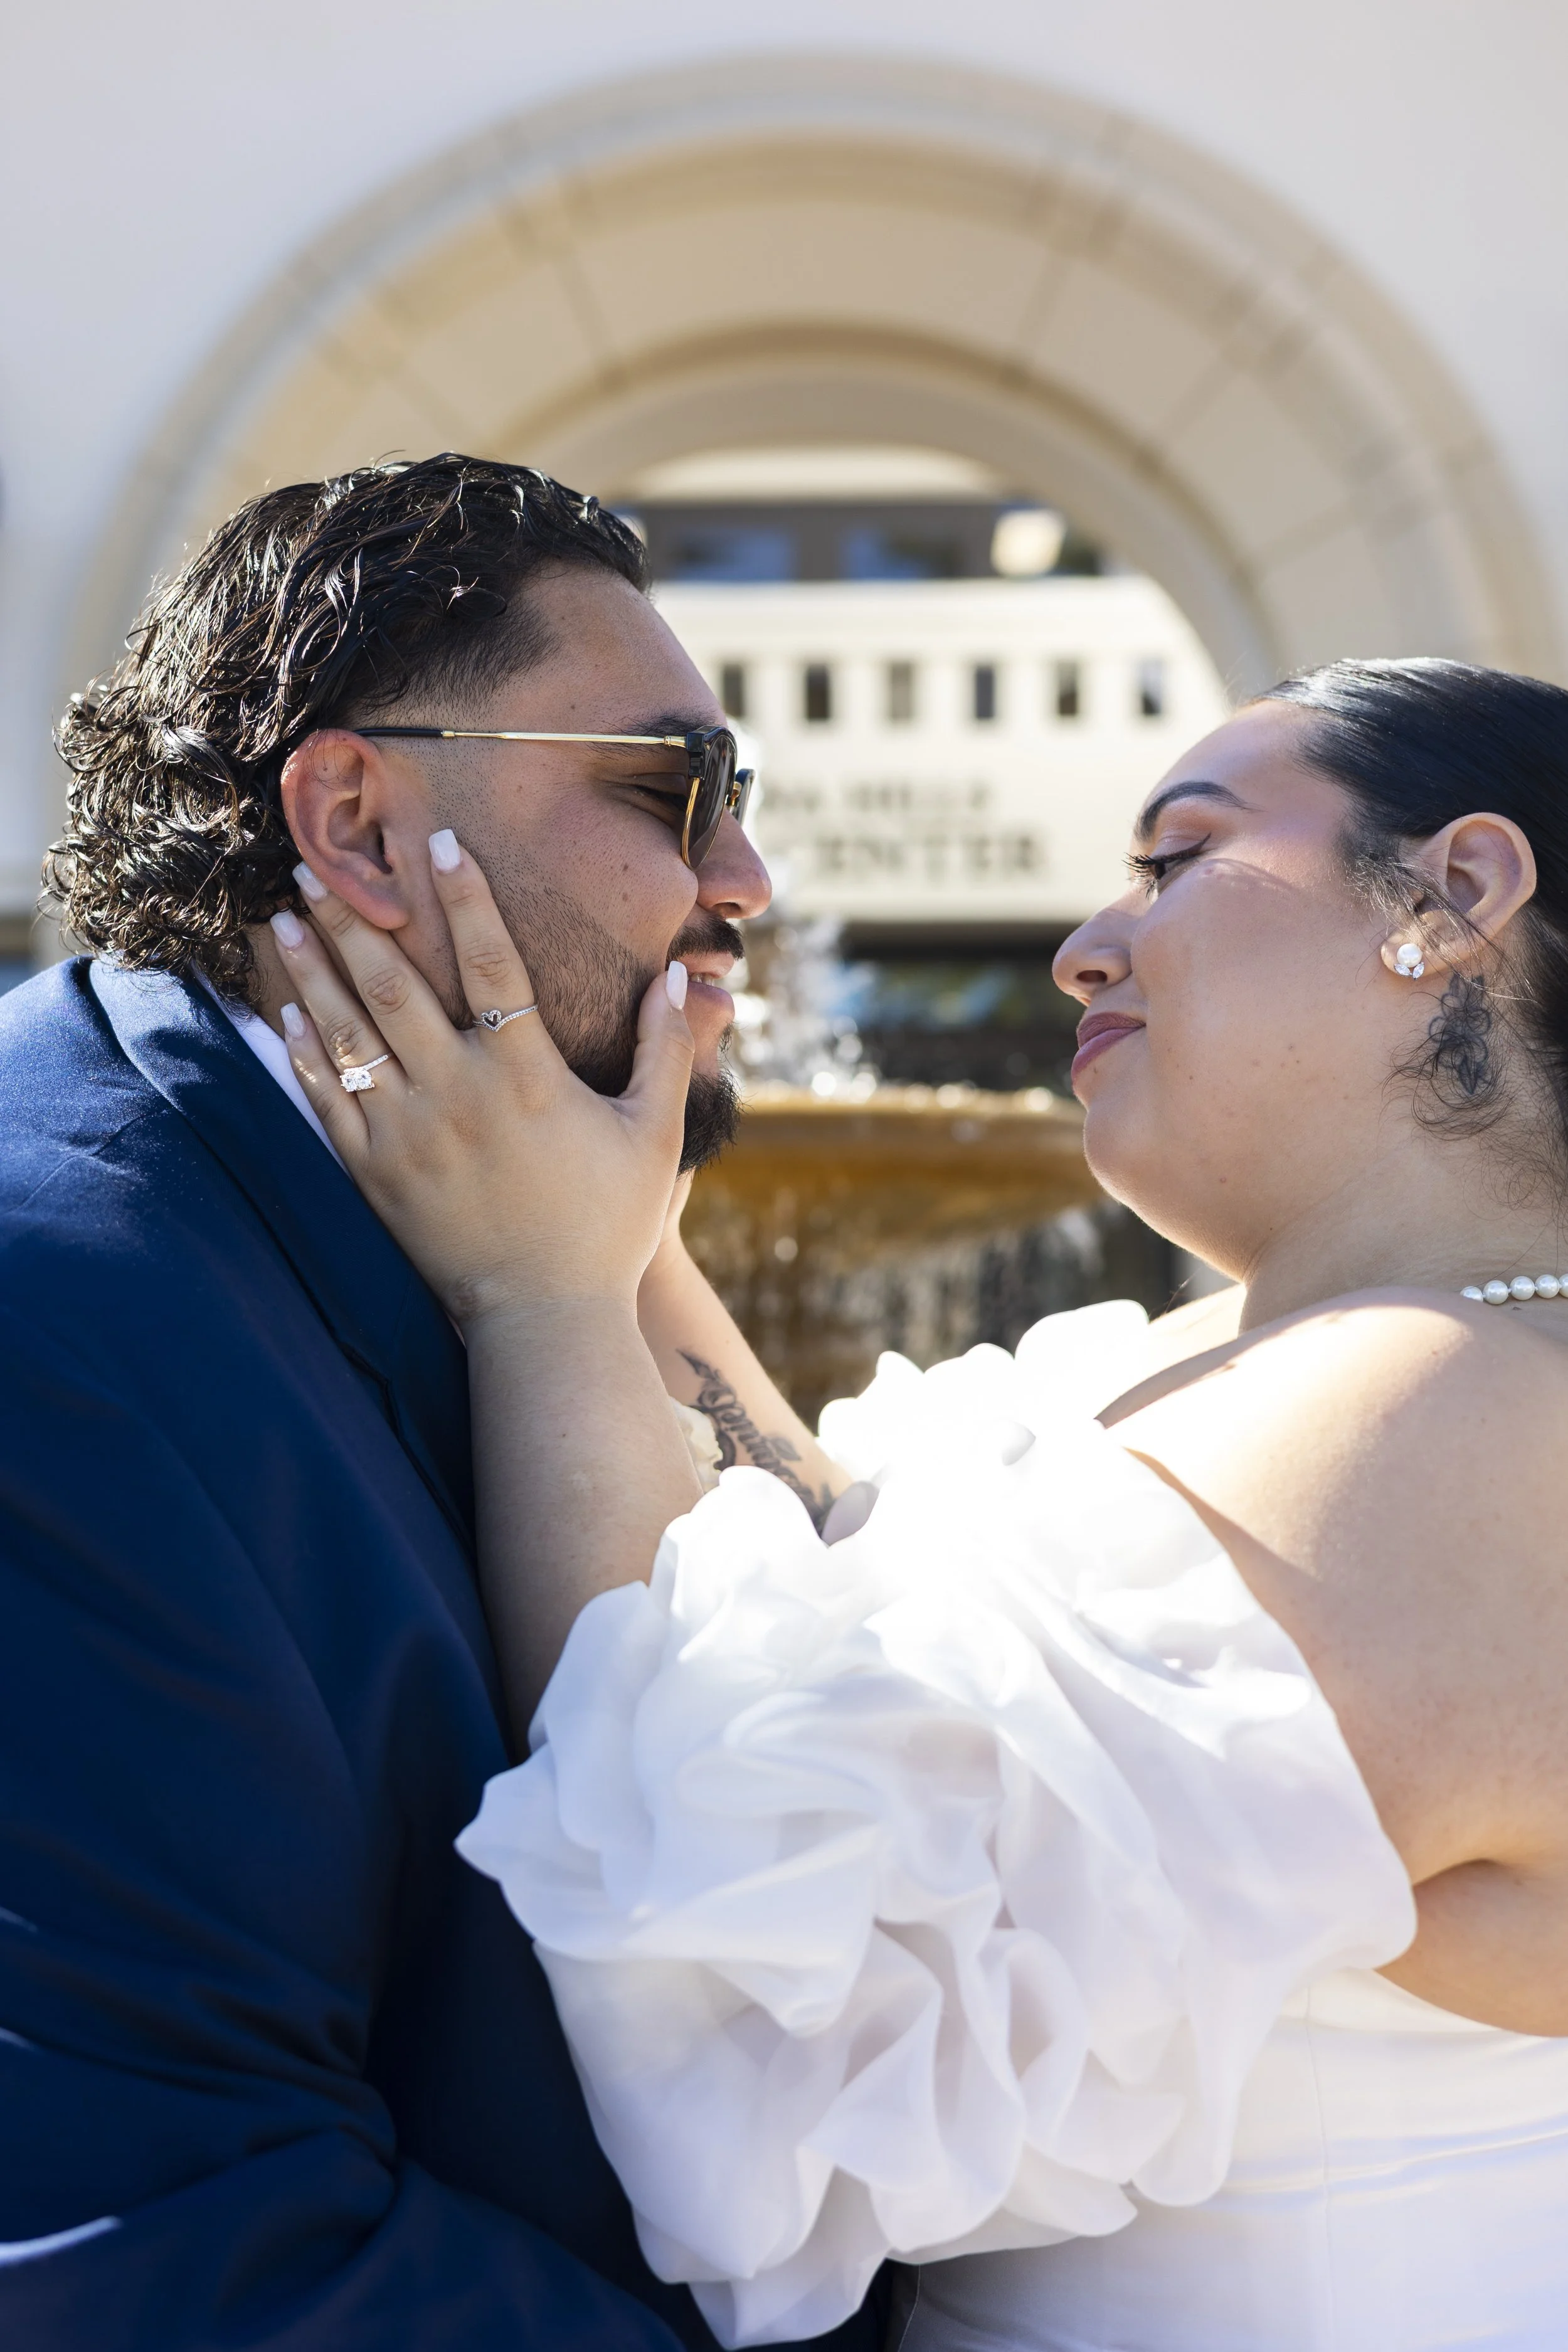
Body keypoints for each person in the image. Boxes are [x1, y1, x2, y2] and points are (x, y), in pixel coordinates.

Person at [274, 658, 1568, 2351]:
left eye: (1179, 859)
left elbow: (749, 2014)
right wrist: (600, 1187)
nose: (1082, 945)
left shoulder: (1443, 1417)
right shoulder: (1347, 1365)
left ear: (1451, 892)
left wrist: (542, 1300)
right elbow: (822, 1565)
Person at [0, 453, 885, 2350]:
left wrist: (601, 1250)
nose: (743, 879)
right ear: (361, 822)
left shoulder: (476, 1204)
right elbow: (164, 2246)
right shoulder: (47, 1315)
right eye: (674, 787)